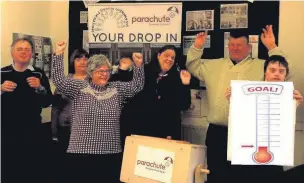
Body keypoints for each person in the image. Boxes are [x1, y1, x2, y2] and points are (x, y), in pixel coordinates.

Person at [186, 25, 293, 183]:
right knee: (216, 174)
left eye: (240, 45)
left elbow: (281, 70)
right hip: (217, 133)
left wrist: (272, 47)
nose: (235, 48)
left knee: (243, 177)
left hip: (247, 135)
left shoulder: (261, 66)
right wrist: (197, 47)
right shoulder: (213, 66)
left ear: (249, 48)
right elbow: (192, 65)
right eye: (232, 45)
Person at [51, 41, 144, 183]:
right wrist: (59, 53)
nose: (104, 74)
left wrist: (138, 66)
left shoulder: (116, 89)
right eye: (100, 71)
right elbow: (58, 80)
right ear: (91, 72)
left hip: (110, 152)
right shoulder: (79, 87)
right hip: (81, 152)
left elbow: (136, 86)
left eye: (107, 71)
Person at [224, 55, 303, 183]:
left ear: (285, 75)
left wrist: (295, 103)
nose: (277, 74)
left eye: (281, 71)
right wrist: (233, 99)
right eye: (272, 70)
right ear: (265, 72)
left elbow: (286, 123)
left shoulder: (291, 96)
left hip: (275, 153)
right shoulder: (246, 91)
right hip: (246, 152)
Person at [1, 37, 53, 182]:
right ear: (12, 52)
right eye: (19, 49)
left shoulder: (38, 74)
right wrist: (0, 89)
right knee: (8, 169)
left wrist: (40, 88)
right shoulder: (2, 73)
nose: (23, 52)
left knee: (32, 169)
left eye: (27, 49)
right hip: (6, 131)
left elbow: (48, 102)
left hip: (33, 130)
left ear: (31, 53)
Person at [125, 45, 191, 140]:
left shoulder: (177, 77)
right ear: (158, 55)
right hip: (142, 130)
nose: (169, 59)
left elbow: (184, 105)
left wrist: (185, 84)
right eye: (167, 56)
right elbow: (130, 93)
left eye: (172, 57)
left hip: (167, 133)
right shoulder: (144, 71)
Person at [51, 49, 89, 153]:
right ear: (73, 61)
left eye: (85, 59)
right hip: (65, 128)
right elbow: (56, 107)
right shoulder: (64, 81)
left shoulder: (94, 82)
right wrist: (54, 131)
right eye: (78, 59)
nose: (82, 62)